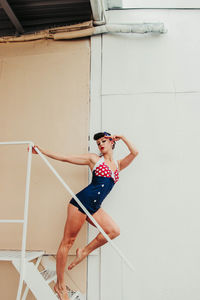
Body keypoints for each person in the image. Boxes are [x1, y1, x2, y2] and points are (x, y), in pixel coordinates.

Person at [30, 132, 139, 300]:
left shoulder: (118, 165)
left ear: (112, 142)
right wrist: (43, 151)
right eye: (98, 143)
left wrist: (123, 137)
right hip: (80, 203)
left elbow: (135, 153)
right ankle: (60, 286)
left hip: (94, 207)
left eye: (104, 141)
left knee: (113, 231)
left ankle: (84, 251)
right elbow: (66, 158)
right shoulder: (94, 159)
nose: (100, 144)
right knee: (67, 242)